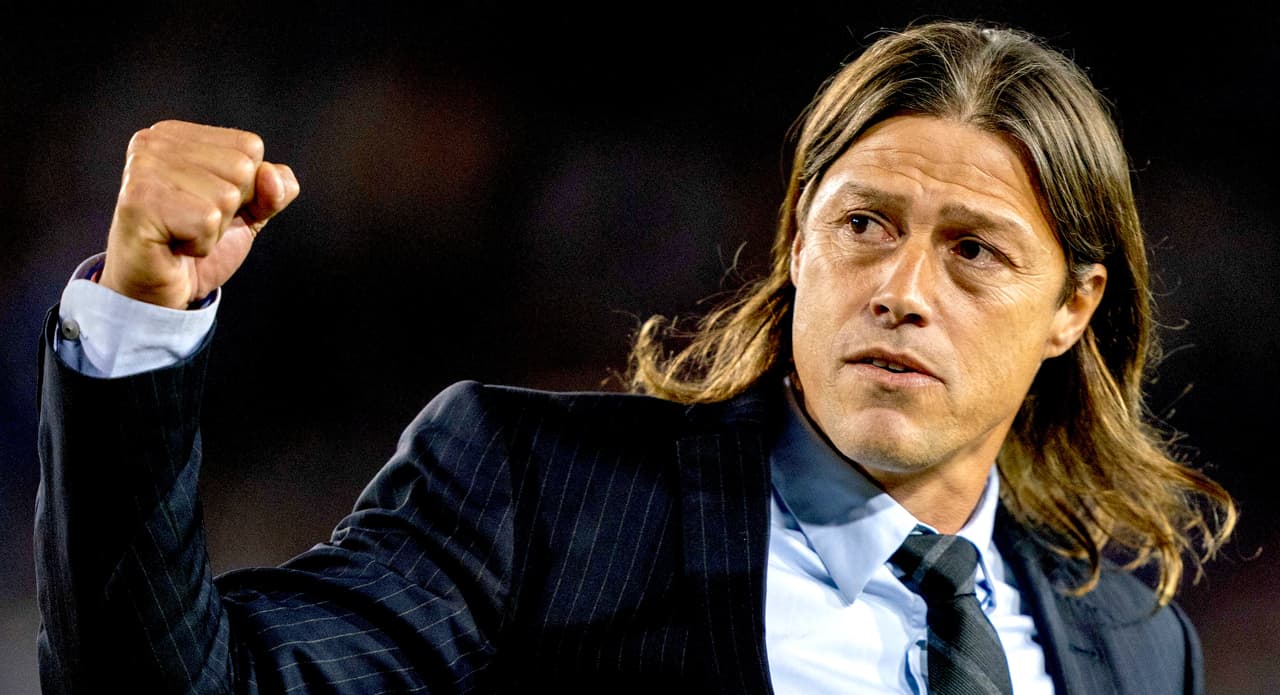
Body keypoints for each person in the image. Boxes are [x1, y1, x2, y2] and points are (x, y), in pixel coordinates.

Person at [36, 20, 1235, 695]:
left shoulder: (1136, 646)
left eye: (973, 250)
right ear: (797, 241)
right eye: (865, 225)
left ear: (1071, 306)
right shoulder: (545, 495)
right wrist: (144, 313)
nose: (902, 291)